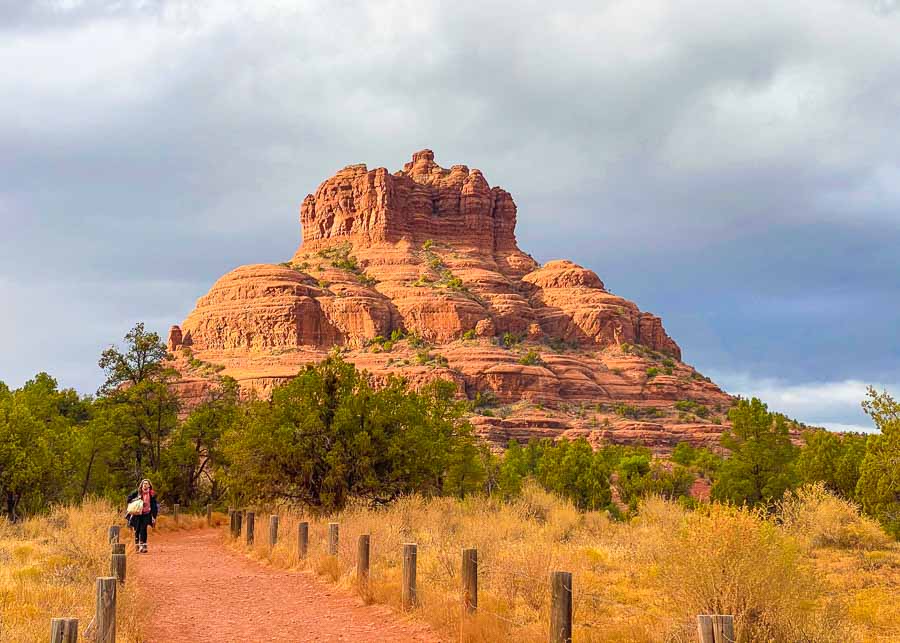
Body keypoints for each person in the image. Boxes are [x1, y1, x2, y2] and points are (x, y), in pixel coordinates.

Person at [127, 479, 158, 553]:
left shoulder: (151, 494)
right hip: (137, 514)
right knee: (137, 530)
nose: (145, 485)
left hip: (146, 513)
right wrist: (137, 499)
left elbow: (154, 506)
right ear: (141, 485)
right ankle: (137, 546)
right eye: (144, 483)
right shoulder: (137, 492)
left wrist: (154, 516)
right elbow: (128, 499)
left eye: (146, 483)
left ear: (149, 485)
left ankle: (143, 546)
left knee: (143, 529)